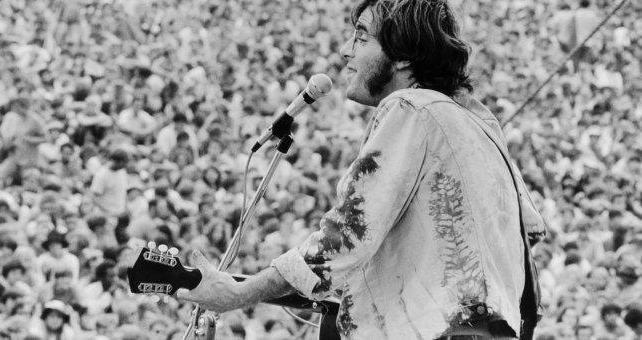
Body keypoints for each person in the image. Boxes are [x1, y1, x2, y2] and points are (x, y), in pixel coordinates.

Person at [176, 1, 545, 340]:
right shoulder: (477, 120)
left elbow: (348, 235)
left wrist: (239, 292)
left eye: (361, 36)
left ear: (402, 56)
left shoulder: (410, 106)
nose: (345, 50)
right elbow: (530, 228)